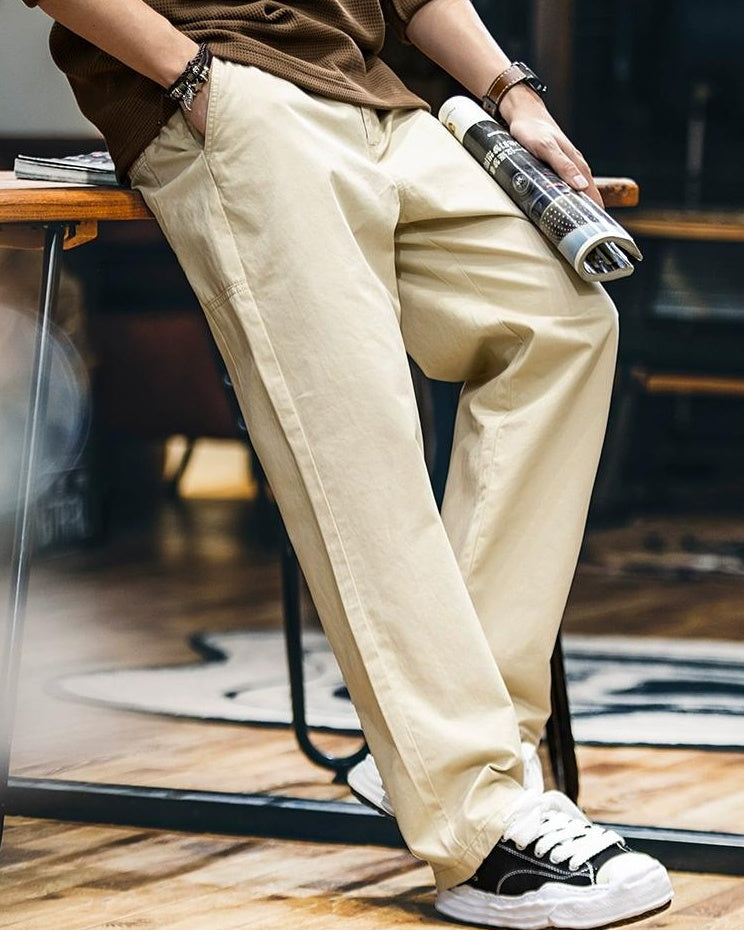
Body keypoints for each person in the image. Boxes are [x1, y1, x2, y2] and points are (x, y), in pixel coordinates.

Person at [24, 0, 673, 926]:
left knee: (563, 323)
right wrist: (191, 77)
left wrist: (512, 92)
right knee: (352, 424)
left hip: (384, 99)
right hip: (229, 96)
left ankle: (451, 743)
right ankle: (478, 823)